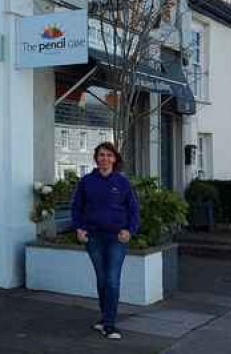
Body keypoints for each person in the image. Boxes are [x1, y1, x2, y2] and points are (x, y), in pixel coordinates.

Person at [70, 142, 140, 340]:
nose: (105, 158)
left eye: (109, 155)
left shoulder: (123, 183)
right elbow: (77, 207)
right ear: (96, 158)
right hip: (93, 238)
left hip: (117, 238)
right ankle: (105, 317)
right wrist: (79, 228)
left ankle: (109, 324)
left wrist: (129, 230)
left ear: (115, 159)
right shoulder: (86, 182)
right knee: (102, 280)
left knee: (112, 279)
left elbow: (134, 210)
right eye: (101, 155)